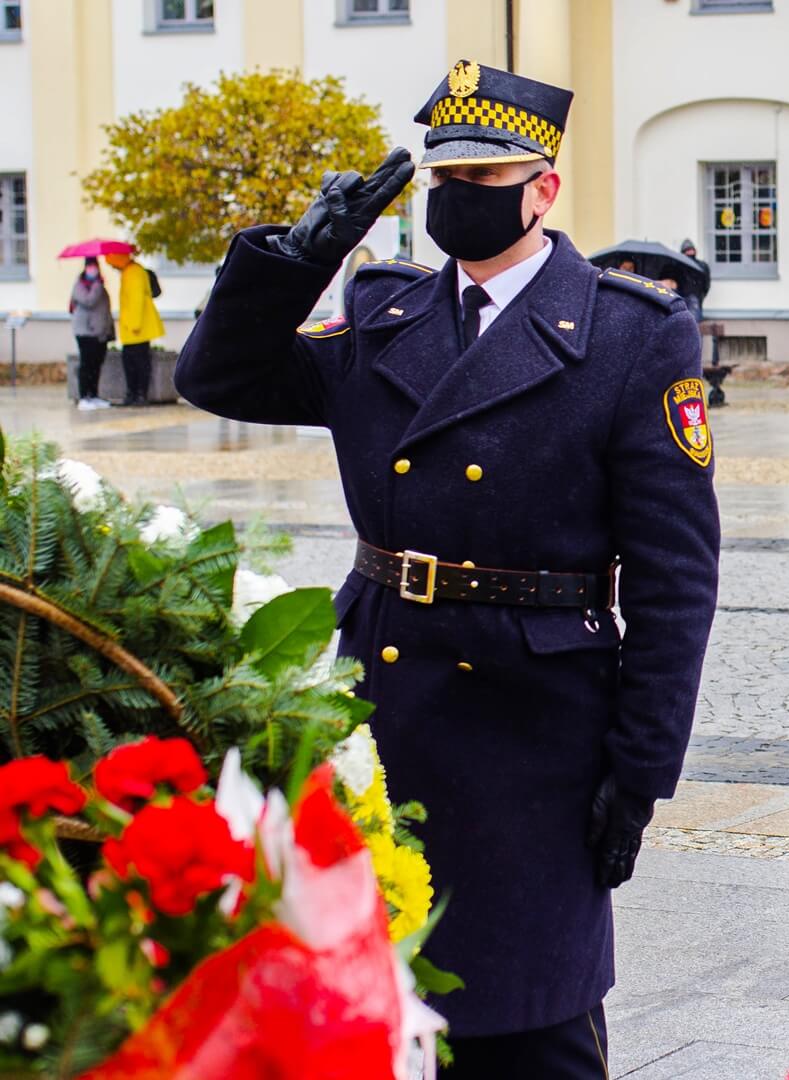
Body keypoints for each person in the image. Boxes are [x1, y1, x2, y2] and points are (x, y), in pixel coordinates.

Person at [175, 61, 721, 1077]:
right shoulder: (385, 314)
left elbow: (672, 582)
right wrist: (295, 261)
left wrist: (640, 774)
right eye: (444, 181)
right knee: (372, 1003)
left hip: (538, 721)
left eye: (482, 180)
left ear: (543, 188)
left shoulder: (630, 334)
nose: (457, 200)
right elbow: (216, 377)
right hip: (381, 694)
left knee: (530, 1018)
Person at [104, 249, 163, 406]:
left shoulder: (133, 273)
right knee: (132, 362)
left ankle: (139, 394)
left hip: (137, 329)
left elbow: (137, 301)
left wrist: (135, 325)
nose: (112, 267)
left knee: (137, 363)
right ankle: (134, 394)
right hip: (132, 329)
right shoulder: (130, 272)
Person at [69, 257, 115, 411]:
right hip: (86, 332)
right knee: (86, 365)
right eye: (89, 266)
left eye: (94, 266)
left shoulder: (100, 285)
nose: (92, 269)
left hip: (100, 333)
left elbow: (105, 308)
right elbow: (89, 301)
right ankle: (84, 396)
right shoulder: (81, 285)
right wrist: (96, 285)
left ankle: (94, 395)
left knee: (96, 365)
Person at [677, 237, 709, 322]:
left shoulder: (702, 265)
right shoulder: (679, 265)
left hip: (695, 297)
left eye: (691, 250)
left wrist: (700, 295)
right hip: (682, 296)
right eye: (687, 250)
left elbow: (706, 284)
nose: (690, 252)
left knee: (693, 321)